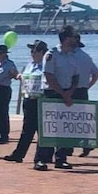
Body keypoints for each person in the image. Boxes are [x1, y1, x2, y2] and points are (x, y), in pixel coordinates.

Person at [35, 26, 80, 170]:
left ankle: (61, 158)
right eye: (73, 37)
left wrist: (70, 92)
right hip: (52, 93)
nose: (75, 39)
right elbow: (49, 76)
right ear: (66, 38)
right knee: (48, 127)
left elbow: (76, 76)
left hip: (67, 92)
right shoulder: (51, 54)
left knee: (64, 126)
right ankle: (41, 159)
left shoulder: (73, 55)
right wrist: (62, 93)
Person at [4, 40, 48, 163]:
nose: (32, 53)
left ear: (42, 52)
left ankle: (41, 158)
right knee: (27, 129)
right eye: (31, 50)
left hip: (41, 100)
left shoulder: (47, 65)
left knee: (42, 131)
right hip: (29, 100)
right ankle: (18, 154)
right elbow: (24, 78)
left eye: (34, 50)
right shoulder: (30, 65)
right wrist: (17, 76)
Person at [72, 33, 98, 157]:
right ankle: (86, 144)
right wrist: (88, 85)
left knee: (68, 118)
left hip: (70, 90)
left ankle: (67, 146)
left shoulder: (69, 56)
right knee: (82, 119)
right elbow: (96, 73)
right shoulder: (86, 57)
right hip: (83, 90)